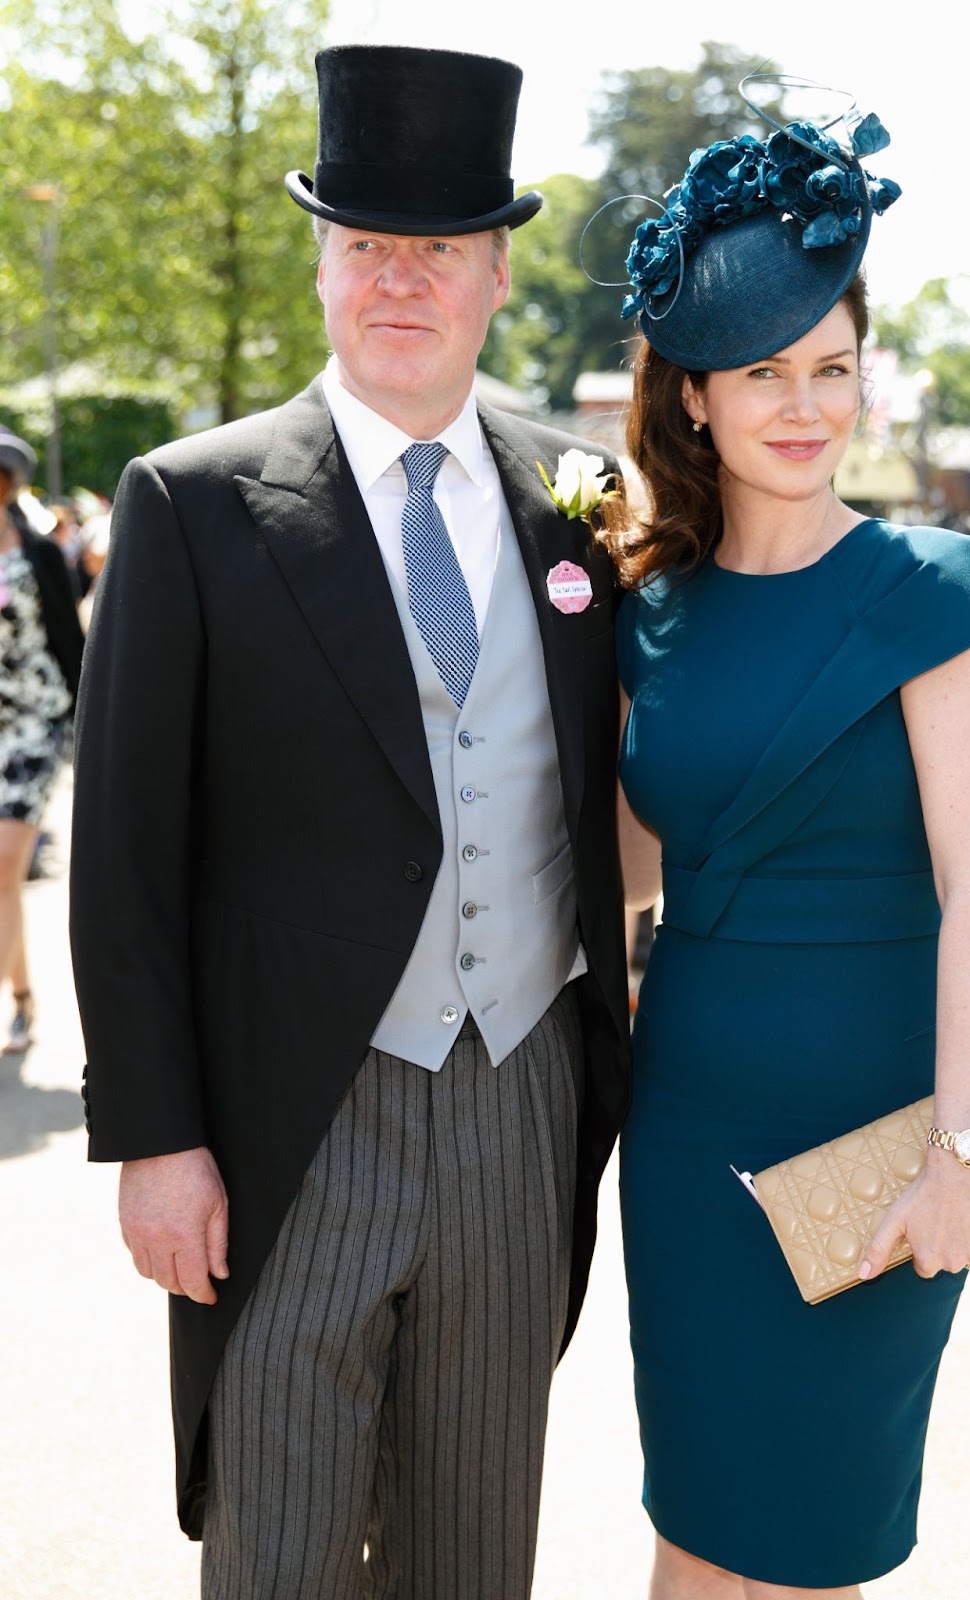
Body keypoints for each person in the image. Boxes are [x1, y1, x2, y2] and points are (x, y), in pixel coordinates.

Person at [70, 46, 630, 1600]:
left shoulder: (579, 490)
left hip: (520, 1098)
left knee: (474, 1555)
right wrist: (158, 1138)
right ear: (321, 261)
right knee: (282, 1553)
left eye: (437, 248)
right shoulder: (192, 501)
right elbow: (120, 856)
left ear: (496, 273)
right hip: (289, 1121)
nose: (401, 281)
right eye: (366, 244)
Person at [603, 89, 970, 1598]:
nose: (802, 403)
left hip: (881, 1137)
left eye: (832, 367)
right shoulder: (647, 610)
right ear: (692, 394)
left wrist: (963, 1155)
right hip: (687, 1129)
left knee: (810, 1546)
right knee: (694, 1530)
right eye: (761, 369)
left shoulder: (928, 588)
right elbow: (634, 867)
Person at [0, 430, 83, 1052]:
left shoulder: (37, 555)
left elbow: (72, 645)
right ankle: (23, 998)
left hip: (36, 725)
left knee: (5, 864)